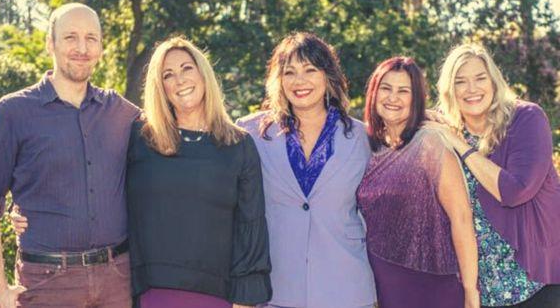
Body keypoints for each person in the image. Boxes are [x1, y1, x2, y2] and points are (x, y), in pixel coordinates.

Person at [0, 3, 139, 308]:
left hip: (117, 281)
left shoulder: (119, 111)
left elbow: (168, 132)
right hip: (47, 284)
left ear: (101, 47)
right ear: (51, 43)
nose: (82, 48)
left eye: (91, 38)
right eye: (71, 37)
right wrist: (0, 293)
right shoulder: (13, 112)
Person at [126, 36, 271, 308]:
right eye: (168, 74)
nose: (180, 80)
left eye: (186, 68)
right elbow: (98, 182)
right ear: (161, 88)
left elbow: (250, 225)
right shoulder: (140, 139)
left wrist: (245, 301)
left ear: (203, 74)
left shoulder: (238, 145)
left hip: (217, 296)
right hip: (153, 293)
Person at [238, 32, 376, 308]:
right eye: (289, 72)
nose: (300, 81)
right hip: (277, 288)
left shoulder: (364, 138)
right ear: (279, 81)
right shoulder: (251, 133)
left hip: (347, 287)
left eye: (310, 70)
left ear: (328, 76)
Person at [426, 43, 560, 307]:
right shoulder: (446, 131)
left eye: (479, 78)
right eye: (460, 82)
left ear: (494, 81)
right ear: (449, 91)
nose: (472, 89)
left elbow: (515, 191)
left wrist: (461, 146)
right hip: (483, 290)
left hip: (536, 281)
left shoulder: (526, 119)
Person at [356, 56, 479, 308]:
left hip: (433, 283)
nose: (393, 98)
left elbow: (461, 217)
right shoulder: (368, 147)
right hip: (384, 282)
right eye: (386, 88)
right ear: (374, 93)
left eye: (404, 91)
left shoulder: (429, 142)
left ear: (416, 99)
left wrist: (470, 290)